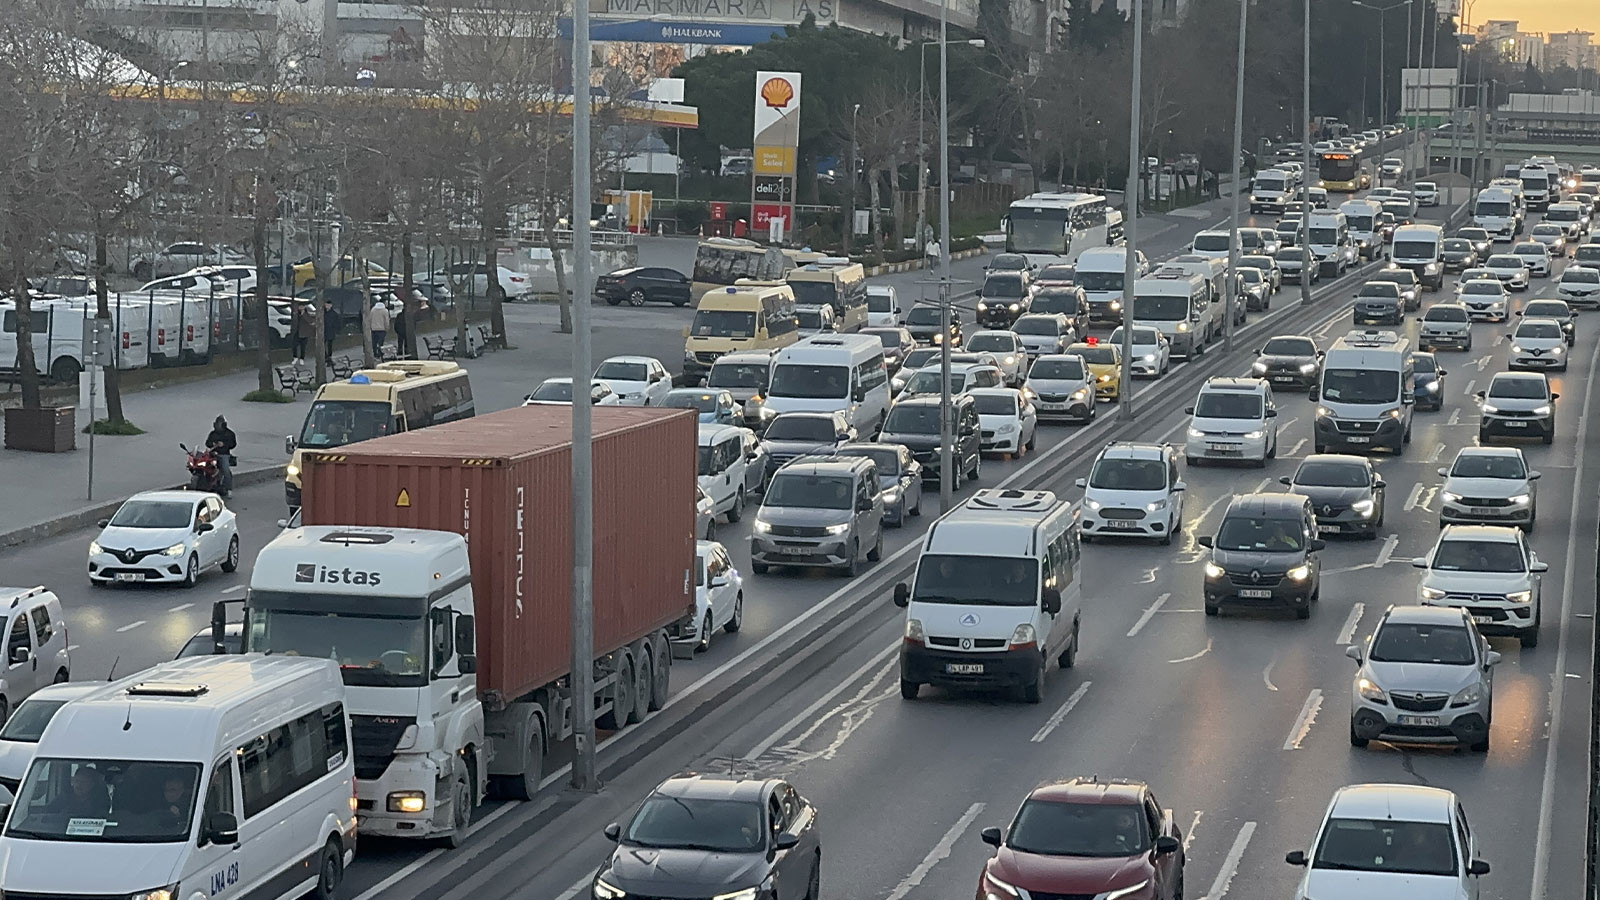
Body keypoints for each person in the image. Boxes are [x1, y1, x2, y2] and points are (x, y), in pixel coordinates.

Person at [206, 415, 237, 496]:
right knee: (205, 466)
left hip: (224, 454)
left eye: (218, 424)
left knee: (226, 469)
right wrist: (212, 444)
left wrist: (224, 444)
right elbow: (207, 443)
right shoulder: (212, 434)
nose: (217, 426)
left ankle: (229, 488)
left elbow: (233, 444)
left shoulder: (230, 434)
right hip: (213, 454)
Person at [323, 298, 341, 363]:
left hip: (331, 331)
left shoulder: (334, 314)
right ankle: (326, 357)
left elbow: (337, 323)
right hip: (324, 331)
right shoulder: (322, 313)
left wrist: (335, 330)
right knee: (322, 344)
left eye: (328, 305)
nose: (326, 306)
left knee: (329, 345)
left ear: (331, 305)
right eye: (326, 305)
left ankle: (329, 357)